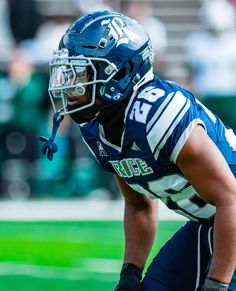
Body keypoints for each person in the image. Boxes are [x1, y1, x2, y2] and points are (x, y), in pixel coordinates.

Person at [40, 11, 236, 290]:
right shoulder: (97, 126)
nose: (71, 85)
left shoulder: (158, 114)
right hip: (212, 222)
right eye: (69, 72)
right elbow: (138, 203)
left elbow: (231, 199)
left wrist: (217, 285)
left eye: (82, 72)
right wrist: (130, 273)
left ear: (120, 73)